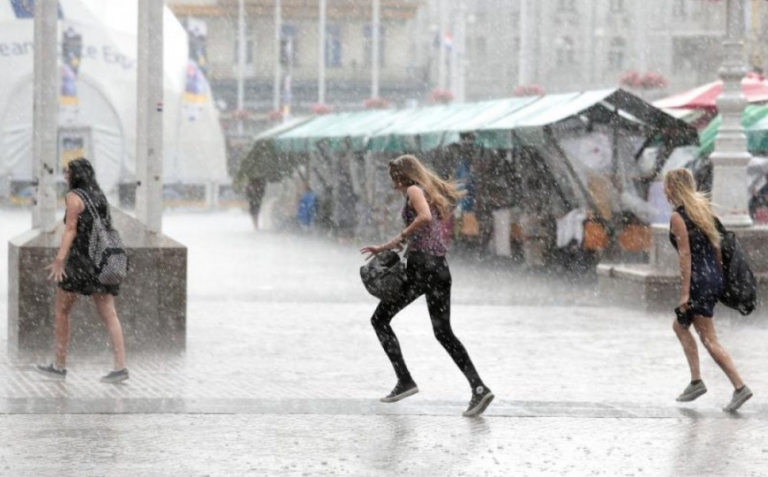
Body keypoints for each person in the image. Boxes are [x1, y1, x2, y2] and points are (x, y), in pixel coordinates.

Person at [361, 155, 493, 417]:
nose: (394, 186)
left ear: (403, 176)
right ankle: (479, 388)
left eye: (394, 179)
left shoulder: (413, 190)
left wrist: (398, 237)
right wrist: (392, 245)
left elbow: (423, 218)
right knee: (443, 332)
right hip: (440, 268)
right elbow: (425, 227)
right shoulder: (429, 192)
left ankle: (405, 380)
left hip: (422, 269)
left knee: (379, 320)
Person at [36, 158, 129, 384]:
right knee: (109, 312)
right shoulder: (100, 196)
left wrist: (60, 259)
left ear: (76, 175)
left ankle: (59, 365)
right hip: (102, 261)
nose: (65, 175)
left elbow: (70, 230)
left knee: (62, 310)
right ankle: (120, 366)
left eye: (67, 171)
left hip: (80, 262)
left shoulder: (73, 197)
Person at [665, 169, 751, 412]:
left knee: (709, 339)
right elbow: (716, 245)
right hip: (711, 276)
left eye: (666, 186)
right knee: (680, 326)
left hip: (698, 281)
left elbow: (685, 255)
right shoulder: (702, 210)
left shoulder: (678, 216)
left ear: (673, 188)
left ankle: (738, 386)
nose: (663, 190)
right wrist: (718, 277)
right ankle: (696, 381)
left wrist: (685, 293)